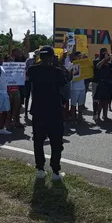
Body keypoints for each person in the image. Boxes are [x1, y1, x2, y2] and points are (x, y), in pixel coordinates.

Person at [27, 46, 68, 181]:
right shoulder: (56, 71)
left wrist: (37, 58)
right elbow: (64, 82)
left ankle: (40, 168)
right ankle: (55, 171)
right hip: (54, 111)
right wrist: (58, 64)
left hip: (38, 110)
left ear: (40, 57)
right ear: (51, 57)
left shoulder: (33, 70)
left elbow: (30, 71)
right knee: (56, 142)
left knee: (38, 141)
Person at [93, 48, 112, 121]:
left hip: (108, 84)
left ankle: (105, 115)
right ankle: (97, 115)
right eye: (104, 54)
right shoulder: (97, 61)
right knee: (100, 101)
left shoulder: (109, 64)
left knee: (106, 101)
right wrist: (104, 59)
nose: (107, 56)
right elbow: (98, 66)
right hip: (100, 83)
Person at [69, 51, 86, 122]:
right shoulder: (72, 64)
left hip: (82, 87)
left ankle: (80, 117)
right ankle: (73, 118)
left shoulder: (84, 64)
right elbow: (69, 73)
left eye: (80, 56)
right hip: (75, 87)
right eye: (78, 56)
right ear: (75, 57)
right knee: (73, 104)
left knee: (81, 103)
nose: (80, 57)